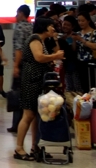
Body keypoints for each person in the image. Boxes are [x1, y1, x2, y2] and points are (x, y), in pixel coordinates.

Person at [14, 18, 63, 160]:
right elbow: (39, 57)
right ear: (43, 27)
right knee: (28, 115)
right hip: (31, 81)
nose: (53, 28)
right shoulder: (35, 39)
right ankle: (19, 148)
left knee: (36, 115)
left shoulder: (41, 40)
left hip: (37, 80)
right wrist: (55, 56)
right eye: (51, 26)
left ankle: (36, 146)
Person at [9, 5, 33, 133]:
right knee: (25, 94)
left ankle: (16, 124)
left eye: (17, 13)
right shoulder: (31, 27)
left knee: (16, 94)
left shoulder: (19, 27)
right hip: (30, 64)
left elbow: (19, 49)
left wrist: (16, 66)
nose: (15, 16)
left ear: (21, 13)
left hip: (21, 64)